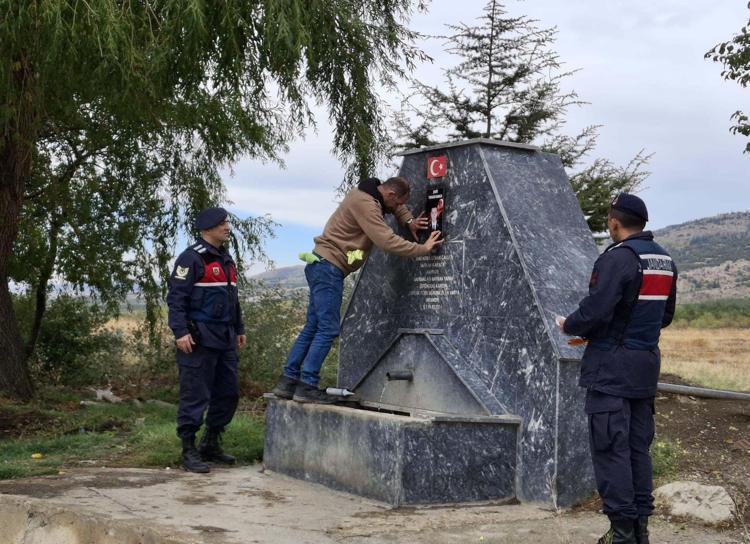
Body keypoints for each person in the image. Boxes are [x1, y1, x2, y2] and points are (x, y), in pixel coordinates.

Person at [558, 193, 677, 544]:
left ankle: (621, 533)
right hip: (644, 369)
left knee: (611, 449)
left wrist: (569, 326)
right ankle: (640, 531)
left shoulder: (618, 258)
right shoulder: (665, 260)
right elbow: (665, 316)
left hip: (611, 370)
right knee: (638, 449)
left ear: (614, 222)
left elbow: (596, 311)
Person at [271, 176, 442, 403]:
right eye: (399, 202)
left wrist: (408, 220)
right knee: (328, 329)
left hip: (321, 265)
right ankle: (307, 385)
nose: (399, 207)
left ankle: (288, 382)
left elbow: (395, 208)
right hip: (329, 268)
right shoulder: (366, 204)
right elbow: (386, 240)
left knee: (313, 327)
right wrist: (423, 248)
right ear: (390, 194)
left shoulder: (373, 193)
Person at [167, 207, 247, 473]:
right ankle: (188, 449)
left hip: (225, 338)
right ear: (207, 228)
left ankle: (210, 444)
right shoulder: (191, 259)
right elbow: (176, 299)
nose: (227, 227)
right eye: (222, 223)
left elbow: (233, 300)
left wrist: (239, 328)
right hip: (198, 339)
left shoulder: (226, 259)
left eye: (227, 222)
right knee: (195, 395)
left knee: (228, 393)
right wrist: (180, 332)